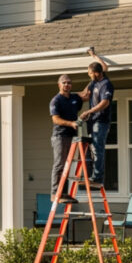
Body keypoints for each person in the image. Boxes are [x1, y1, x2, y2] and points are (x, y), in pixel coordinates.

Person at [79, 47, 113, 190]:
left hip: (101, 121)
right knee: (93, 149)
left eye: (90, 73)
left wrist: (90, 111)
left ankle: (97, 177)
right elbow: (105, 66)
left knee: (98, 149)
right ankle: (92, 175)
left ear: (97, 73)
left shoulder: (106, 84)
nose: (89, 76)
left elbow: (105, 103)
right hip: (93, 121)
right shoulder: (94, 82)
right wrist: (94, 56)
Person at [49, 74, 82, 204]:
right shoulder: (56, 100)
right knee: (59, 164)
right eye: (64, 83)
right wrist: (71, 123)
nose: (67, 85)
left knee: (68, 165)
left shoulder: (74, 98)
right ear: (59, 85)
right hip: (60, 136)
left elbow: (85, 94)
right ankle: (55, 193)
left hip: (71, 136)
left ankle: (64, 193)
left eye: (69, 82)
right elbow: (55, 119)